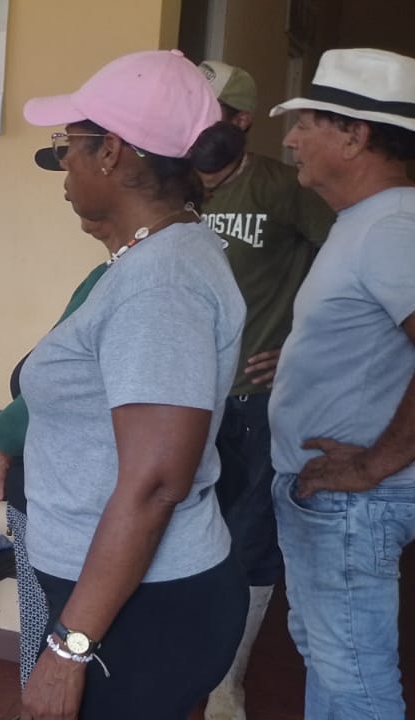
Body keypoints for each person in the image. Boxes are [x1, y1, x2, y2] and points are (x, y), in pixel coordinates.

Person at [18, 49, 250, 719]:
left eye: (70, 144)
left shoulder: (162, 283)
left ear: (112, 152)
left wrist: (69, 649)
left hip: (139, 608)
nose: (63, 161)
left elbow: (155, 482)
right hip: (123, 595)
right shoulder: (157, 259)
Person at [266, 48, 415, 719]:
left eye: (307, 124)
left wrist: (376, 462)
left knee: (353, 678)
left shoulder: (391, 226)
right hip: (338, 498)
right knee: (332, 660)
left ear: (355, 135)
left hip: (357, 500)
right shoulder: (365, 223)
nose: (291, 140)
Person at [194, 59, 337, 720]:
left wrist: (304, 347)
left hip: (252, 398)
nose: (194, 127)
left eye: (210, 114)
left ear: (242, 122)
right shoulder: (169, 187)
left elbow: (351, 272)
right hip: (183, 393)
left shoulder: (283, 189)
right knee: (179, 525)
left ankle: (228, 681)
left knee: (248, 538)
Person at [0, 218, 109, 688]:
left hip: (81, 506)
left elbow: (53, 385)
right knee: (42, 629)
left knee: (64, 643)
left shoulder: (123, 283)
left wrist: (0, 436)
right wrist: (5, 446)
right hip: (42, 495)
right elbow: (43, 380)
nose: (67, 188)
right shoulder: (107, 274)